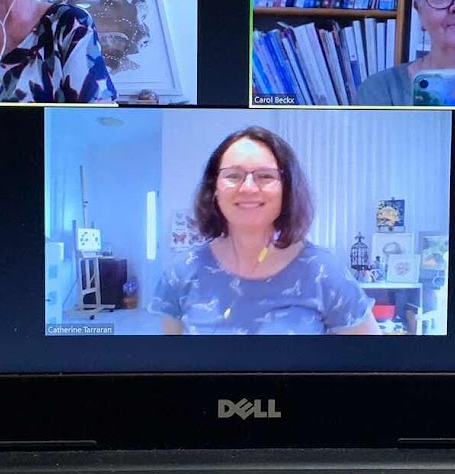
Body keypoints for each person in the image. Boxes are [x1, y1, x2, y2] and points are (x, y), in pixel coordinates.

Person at [153, 127, 378, 335]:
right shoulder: (181, 271)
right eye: (233, 175)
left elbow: (372, 358)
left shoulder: (325, 272)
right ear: (214, 188)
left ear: (287, 189)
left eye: (266, 176)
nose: (248, 188)